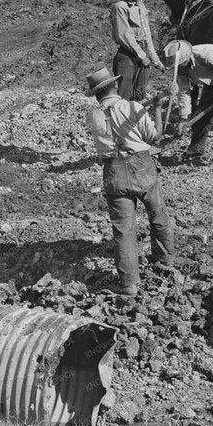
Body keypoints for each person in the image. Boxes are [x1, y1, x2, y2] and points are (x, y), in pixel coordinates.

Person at [83, 66, 175, 298]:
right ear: (115, 85)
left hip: (113, 170)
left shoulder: (92, 115)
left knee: (123, 230)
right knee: (157, 214)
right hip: (141, 165)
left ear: (96, 93)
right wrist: (157, 109)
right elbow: (155, 137)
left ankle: (129, 284)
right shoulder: (133, 107)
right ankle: (164, 261)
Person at [162, 38, 213, 167]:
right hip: (210, 83)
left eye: (181, 65)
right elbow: (184, 91)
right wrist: (183, 118)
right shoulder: (181, 69)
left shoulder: (206, 55)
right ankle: (194, 152)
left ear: (186, 58)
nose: (180, 68)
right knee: (202, 118)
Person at [109, 0, 163, 101]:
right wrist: (142, 56)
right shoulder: (120, 7)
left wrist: (155, 59)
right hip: (127, 54)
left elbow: (147, 34)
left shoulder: (141, 6)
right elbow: (124, 35)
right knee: (124, 95)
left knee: (140, 95)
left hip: (142, 52)